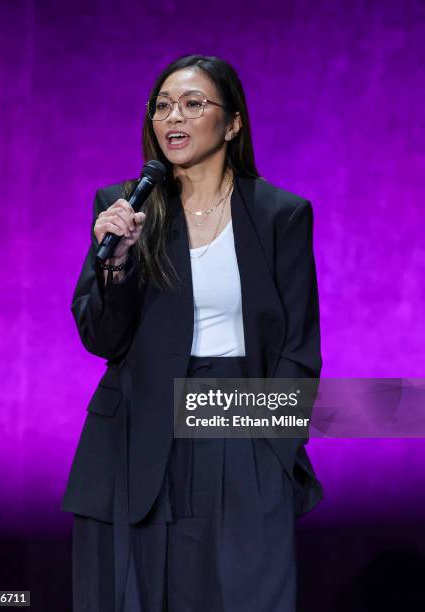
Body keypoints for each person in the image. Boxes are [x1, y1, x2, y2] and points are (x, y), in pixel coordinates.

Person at [61, 54, 324, 612]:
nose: (172, 117)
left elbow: (299, 349)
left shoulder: (281, 215)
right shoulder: (125, 208)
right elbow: (102, 339)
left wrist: (276, 451)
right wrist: (117, 264)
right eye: (162, 106)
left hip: (239, 421)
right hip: (137, 430)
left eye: (192, 103)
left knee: (247, 591)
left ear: (232, 124)